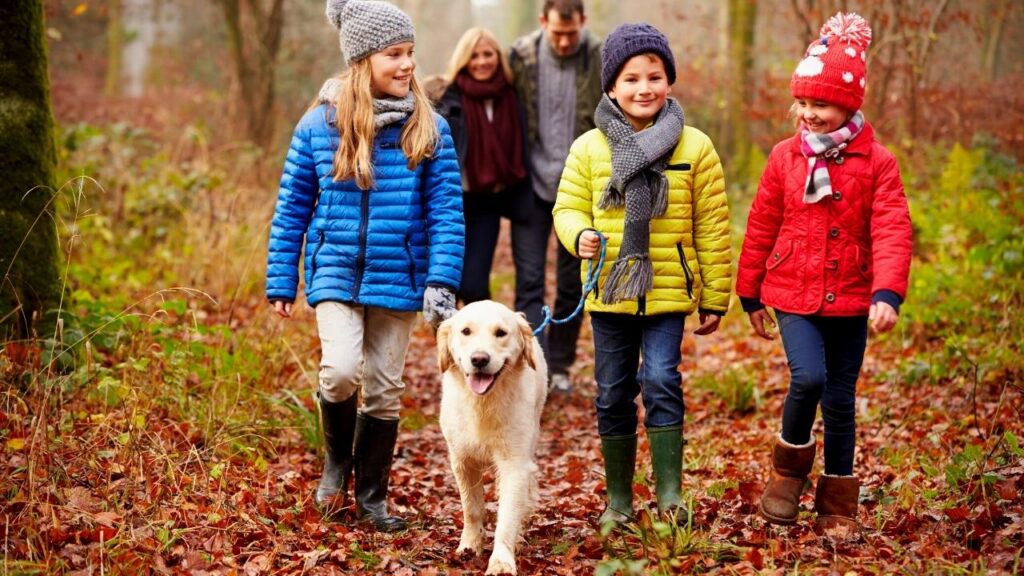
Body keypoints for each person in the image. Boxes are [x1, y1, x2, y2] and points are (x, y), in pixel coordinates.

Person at [265, 0, 464, 532]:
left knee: (382, 384)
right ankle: (336, 464)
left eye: (411, 54)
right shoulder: (318, 126)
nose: (407, 65)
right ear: (362, 60)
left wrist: (441, 280)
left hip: (399, 276)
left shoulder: (429, 128)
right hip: (334, 271)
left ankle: (372, 497)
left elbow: (446, 210)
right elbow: (292, 207)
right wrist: (283, 277)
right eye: (394, 54)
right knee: (341, 371)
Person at [736, 12, 912, 532]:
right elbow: (763, 221)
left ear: (850, 103)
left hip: (853, 296)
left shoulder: (878, 163)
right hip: (792, 292)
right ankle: (787, 475)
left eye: (823, 104)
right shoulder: (784, 157)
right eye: (805, 103)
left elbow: (892, 227)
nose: (810, 114)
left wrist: (887, 292)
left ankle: (837, 501)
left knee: (840, 399)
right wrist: (749, 293)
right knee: (808, 377)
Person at [553, 23, 732, 525]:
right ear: (612, 87)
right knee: (612, 391)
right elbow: (566, 209)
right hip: (610, 290)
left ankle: (670, 495)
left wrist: (716, 296)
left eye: (654, 76)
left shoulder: (694, 147)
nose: (643, 88)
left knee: (659, 380)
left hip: (668, 292)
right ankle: (619, 499)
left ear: (669, 81)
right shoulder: (589, 148)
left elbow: (713, 225)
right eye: (631, 79)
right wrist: (579, 234)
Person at [509, 0, 603, 394]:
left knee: (570, 283)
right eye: (557, 33)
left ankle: (559, 365)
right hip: (531, 185)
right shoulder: (521, 57)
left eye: (571, 33)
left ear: (582, 22)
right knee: (529, 281)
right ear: (543, 22)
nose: (564, 42)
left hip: (579, 188)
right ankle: (531, 364)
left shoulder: (598, 57)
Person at [435, 28, 528, 305]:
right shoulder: (448, 97)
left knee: (475, 285)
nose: (482, 61)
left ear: (498, 57)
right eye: (474, 55)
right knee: (449, 282)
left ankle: (480, 338)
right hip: (452, 202)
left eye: (488, 54)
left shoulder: (511, 96)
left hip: (488, 202)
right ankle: (453, 344)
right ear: (464, 59)